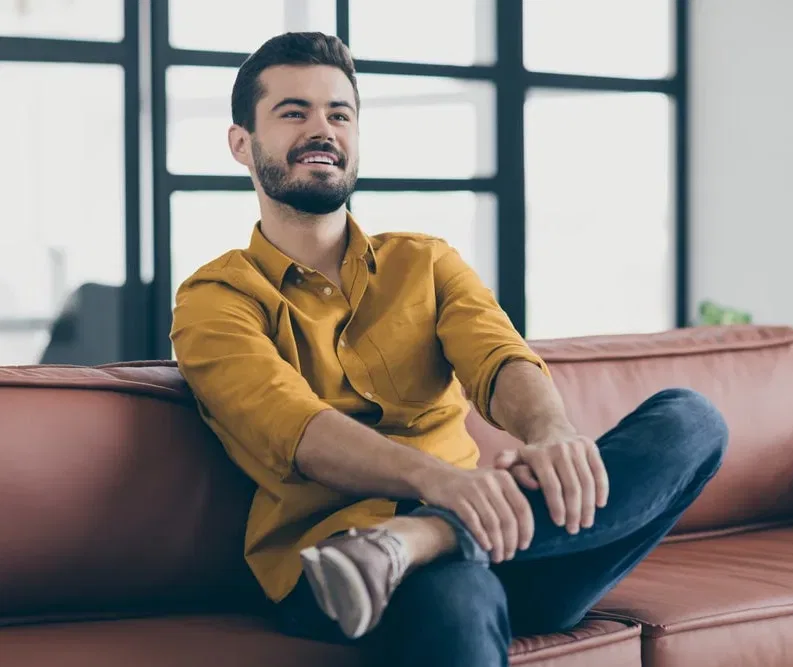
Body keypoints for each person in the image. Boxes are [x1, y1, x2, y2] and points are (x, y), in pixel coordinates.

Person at [171, 32, 729, 667]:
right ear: (241, 144)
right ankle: (411, 547)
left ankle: (423, 539)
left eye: (339, 114)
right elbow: (293, 426)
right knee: (457, 599)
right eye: (294, 112)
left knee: (691, 422)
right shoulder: (214, 299)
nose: (322, 129)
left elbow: (499, 356)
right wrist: (440, 481)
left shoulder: (426, 261)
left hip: (508, 538)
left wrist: (550, 432)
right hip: (339, 563)